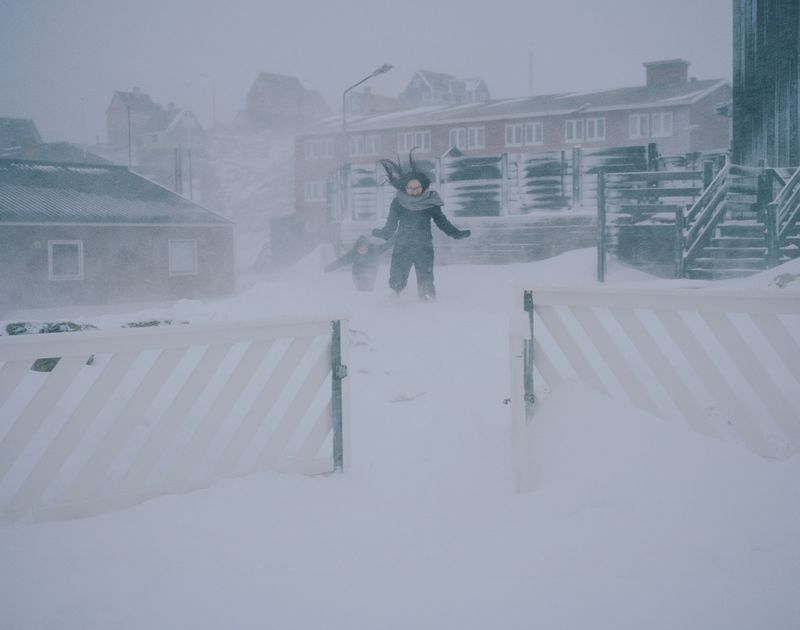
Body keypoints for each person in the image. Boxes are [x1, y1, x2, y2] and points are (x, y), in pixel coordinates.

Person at [371, 152, 470, 301]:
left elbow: (442, 222)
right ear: (405, 188)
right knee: (397, 275)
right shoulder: (398, 202)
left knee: (425, 275)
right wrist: (383, 233)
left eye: (417, 188)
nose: (414, 191)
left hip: (423, 246)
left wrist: (456, 233)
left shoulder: (430, 202)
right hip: (402, 245)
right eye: (411, 188)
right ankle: (394, 299)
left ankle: (427, 300)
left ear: (422, 187)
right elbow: (390, 226)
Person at [324, 235, 393, 291]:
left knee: (368, 284)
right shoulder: (353, 253)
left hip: (372, 267)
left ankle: (367, 291)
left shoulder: (374, 249)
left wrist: (396, 237)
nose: (362, 251)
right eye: (360, 250)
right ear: (357, 248)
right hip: (358, 270)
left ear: (367, 247)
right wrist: (327, 268)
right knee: (361, 283)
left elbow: (386, 245)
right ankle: (361, 290)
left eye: (363, 249)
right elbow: (341, 261)